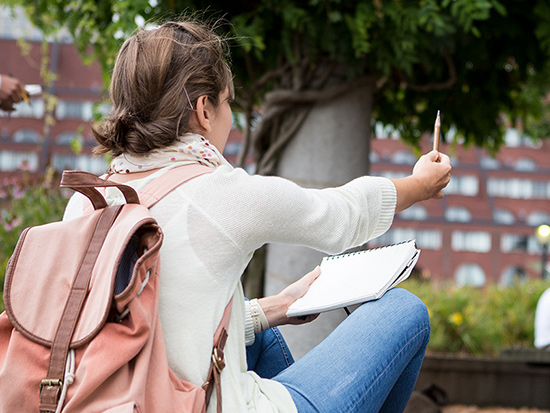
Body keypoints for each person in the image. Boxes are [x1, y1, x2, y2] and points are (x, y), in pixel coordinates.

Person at [63, 20, 451, 413]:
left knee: (257, 333)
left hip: (125, 398)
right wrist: (420, 184)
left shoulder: (87, 200)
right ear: (204, 111)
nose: (231, 115)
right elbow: (340, 216)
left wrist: (279, 306)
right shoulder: (217, 192)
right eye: (228, 101)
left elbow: (157, 328)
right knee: (404, 312)